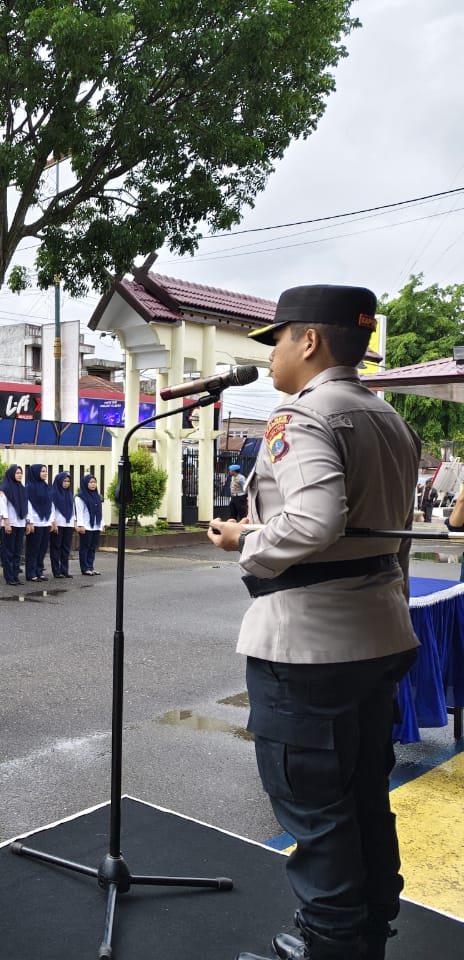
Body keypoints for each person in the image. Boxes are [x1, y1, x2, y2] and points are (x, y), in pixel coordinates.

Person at [207, 285, 420, 960]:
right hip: (379, 634)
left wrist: (243, 539)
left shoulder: (298, 417)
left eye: (278, 340)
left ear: (309, 340)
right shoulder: (387, 417)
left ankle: (327, 946)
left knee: (316, 810)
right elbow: (395, 536)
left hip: (307, 649)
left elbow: (314, 520)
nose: (271, 357)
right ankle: (364, 936)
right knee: (362, 798)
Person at [0, 464, 30, 585]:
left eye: (21, 473)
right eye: (17, 473)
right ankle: (9, 577)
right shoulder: (5, 489)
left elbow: (25, 506)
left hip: (20, 523)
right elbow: (3, 506)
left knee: (17, 551)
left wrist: (27, 522)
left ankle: (16, 576)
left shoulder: (22, 489)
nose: (19, 475)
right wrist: (6, 522)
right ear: (11, 474)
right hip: (10, 523)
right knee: (8, 551)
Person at [24, 464, 52, 582]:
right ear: (35, 472)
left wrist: (51, 521)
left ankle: (39, 571)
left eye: (45, 471)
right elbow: (28, 505)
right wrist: (29, 521)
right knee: (33, 549)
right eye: (42, 471)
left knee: (42, 549)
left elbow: (50, 504)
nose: (45, 473)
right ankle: (31, 573)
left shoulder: (46, 487)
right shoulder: (29, 487)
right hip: (35, 522)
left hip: (45, 522)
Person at [75, 473, 104, 576]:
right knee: (85, 547)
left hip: (95, 526)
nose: (93, 484)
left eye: (94, 482)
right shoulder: (80, 497)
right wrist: (81, 525)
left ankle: (91, 567)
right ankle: (85, 568)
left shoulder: (97, 496)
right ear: (85, 483)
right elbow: (79, 512)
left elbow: (100, 511)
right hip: (86, 526)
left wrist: (102, 524)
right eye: (91, 482)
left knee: (92, 547)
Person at [49, 471, 76, 579]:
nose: (66, 483)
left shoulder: (69, 494)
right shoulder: (53, 493)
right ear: (59, 481)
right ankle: (56, 571)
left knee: (66, 548)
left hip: (68, 524)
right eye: (64, 481)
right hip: (58, 524)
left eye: (68, 481)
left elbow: (73, 509)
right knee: (56, 547)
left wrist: (74, 522)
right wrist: (53, 522)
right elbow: (51, 509)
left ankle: (64, 570)